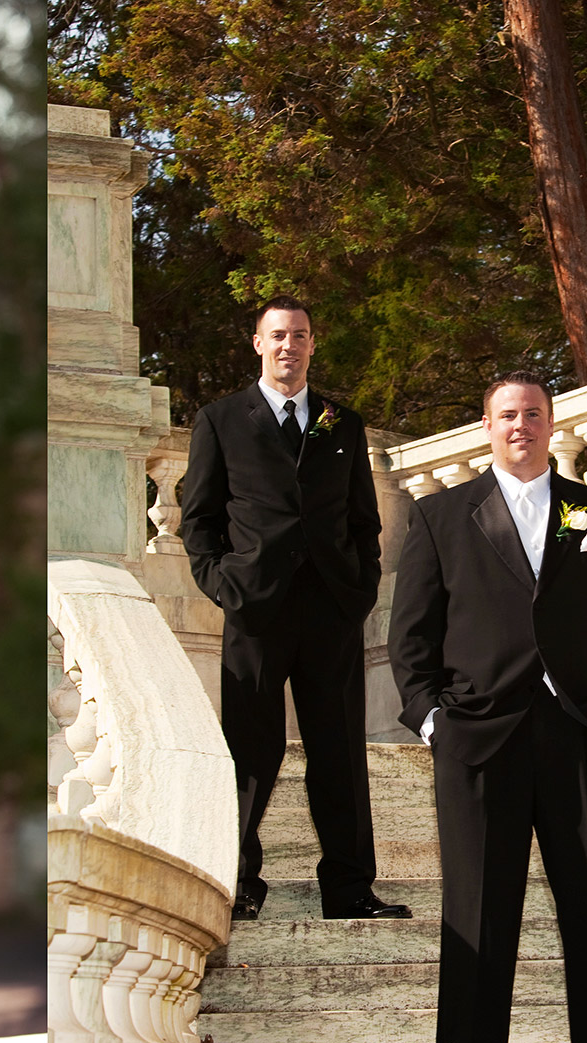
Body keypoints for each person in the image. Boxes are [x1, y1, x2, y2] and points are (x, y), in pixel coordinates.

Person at [388, 371, 587, 1043]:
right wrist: (431, 722)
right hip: (477, 740)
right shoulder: (440, 516)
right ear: (487, 426)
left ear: (551, 424)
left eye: (533, 414)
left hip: (582, 738)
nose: (521, 425)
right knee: (477, 907)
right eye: (507, 414)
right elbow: (409, 638)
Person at [181, 296, 404, 922]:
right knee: (250, 752)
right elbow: (198, 521)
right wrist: (225, 585)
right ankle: (238, 882)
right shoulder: (220, 420)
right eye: (277, 335)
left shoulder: (343, 423)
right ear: (257, 343)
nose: (289, 346)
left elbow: (364, 521)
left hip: (332, 610)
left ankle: (350, 888)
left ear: (313, 344)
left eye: (299, 336)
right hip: (255, 611)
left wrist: (359, 589)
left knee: (339, 751)